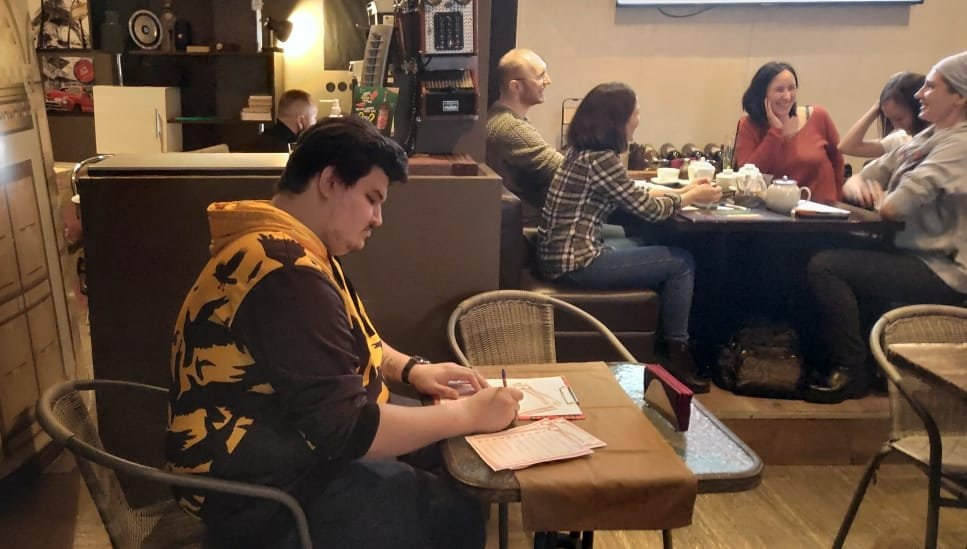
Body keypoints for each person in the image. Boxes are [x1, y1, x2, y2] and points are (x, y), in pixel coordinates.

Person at [166, 117, 523, 548]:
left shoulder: (288, 246)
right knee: (455, 514)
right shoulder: (283, 273)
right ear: (330, 181)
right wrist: (469, 415)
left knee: (444, 454)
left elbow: (352, 343)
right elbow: (349, 429)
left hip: (279, 446)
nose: (378, 219)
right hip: (255, 494)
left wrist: (412, 370)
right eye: (372, 199)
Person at [537, 82, 722, 393]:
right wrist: (690, 197)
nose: (638, 120)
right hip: (576, 262)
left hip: (558, 253)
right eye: (635, 114)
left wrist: (685, 190)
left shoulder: (580, 152)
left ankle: (663, 343)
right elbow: (650, 210)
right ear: (617, 120)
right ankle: (677, 356)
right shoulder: (601, 159)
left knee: (645, 243)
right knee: (681, 262)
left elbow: (631, 192)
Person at [806, 51, 967, 402]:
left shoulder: (959, 145)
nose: (920, 93)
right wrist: (863, 188)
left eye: (930, 86)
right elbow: (857, 178)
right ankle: (822, 357)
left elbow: (895, 207)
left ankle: (852, 371)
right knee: (812, 250)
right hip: (909, 251)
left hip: (943, 268)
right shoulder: (928, 137)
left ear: (959, 96)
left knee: (826, 267)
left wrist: (879, 198)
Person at [734, 61, 845, 203]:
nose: (787, 96)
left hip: (823, 209)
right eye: (779, 90)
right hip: (774, 210)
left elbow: (838, 161)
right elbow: (748, 178)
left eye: (792, 88)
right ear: (762, 94)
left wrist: (837, 200)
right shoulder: (749, 125)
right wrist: (775, 132)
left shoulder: (818, 116)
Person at [486, 48, 562, 219]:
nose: (548, 81)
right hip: (532, 224)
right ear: (516, 86)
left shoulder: (501, 119)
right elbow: (567, 172)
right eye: (540, 76)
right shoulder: (512, 128)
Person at [838, 72, 929, 158]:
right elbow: (847, 147)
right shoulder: (900, 139)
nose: (896, 127)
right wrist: (876, 108)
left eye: (899, 119)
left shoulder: (934, 140)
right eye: (890, 119)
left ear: (918, 109)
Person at [248, 89, 318, 152]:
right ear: (300, 120)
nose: (315, 122)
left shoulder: (258, 141)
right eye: (314, 117)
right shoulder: (295, 149)